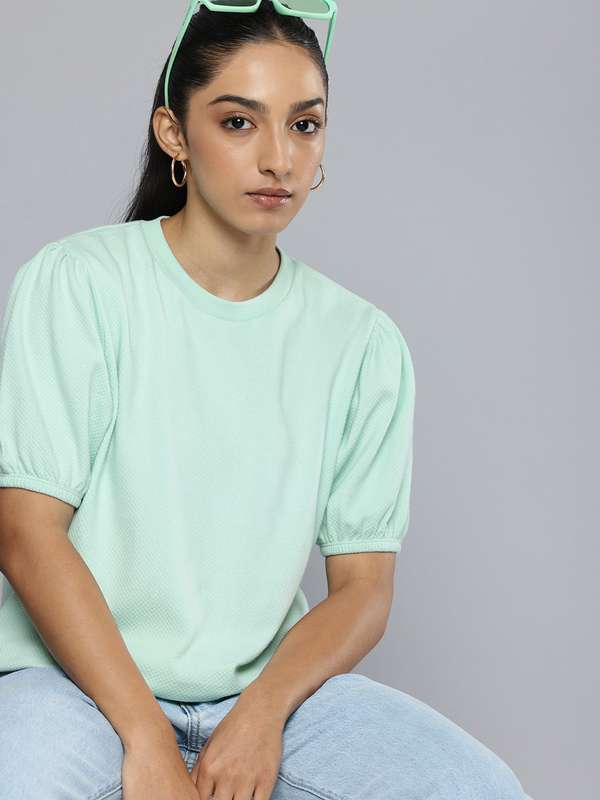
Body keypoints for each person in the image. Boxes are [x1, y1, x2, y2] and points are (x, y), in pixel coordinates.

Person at [0, 2, 529, 799]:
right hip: (74, 689)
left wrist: (264, 715)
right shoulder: (79, 283)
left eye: (304, 125)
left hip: (264, 695)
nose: (279, 158)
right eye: (239, 122)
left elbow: (364, 588)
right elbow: (26, 533)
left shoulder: (361, 343)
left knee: (483, 789)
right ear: (174, 134)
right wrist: (145, 737)